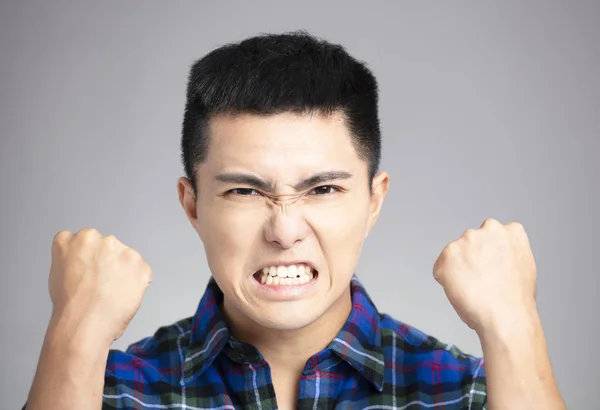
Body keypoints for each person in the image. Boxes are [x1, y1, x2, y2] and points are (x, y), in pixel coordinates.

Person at [22, 31, 565, 410]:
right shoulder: (104, 390)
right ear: (192, 205)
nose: (284, 231)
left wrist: (514, 325)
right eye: (244, 190)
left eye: (323, 189)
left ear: (374, 201)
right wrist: (76, 332)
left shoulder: (469, 392)